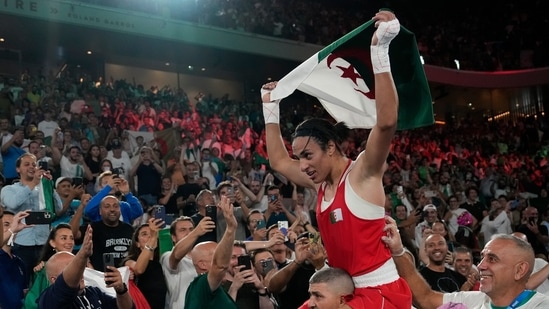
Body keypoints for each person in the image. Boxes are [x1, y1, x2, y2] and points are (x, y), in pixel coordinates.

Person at [261, 10, 411, 308]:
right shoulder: (319, 183)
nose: (302, 165)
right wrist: (270, 108)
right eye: (299, 158)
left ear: (330, 148)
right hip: (341, 290)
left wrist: (379, 51)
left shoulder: (363, 173)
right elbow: (278, 162)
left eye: (308, 155)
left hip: (379, 293)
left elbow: (385, 123)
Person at [382, 216, 549, 308]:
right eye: (483, 257)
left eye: (492, 259)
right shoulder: (474, 300)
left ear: (519, 270)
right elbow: (426, 298)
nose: (481, 265)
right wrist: (398, 251)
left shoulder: (541, 306)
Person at [37, 225, 134, 309]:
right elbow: (66, 284)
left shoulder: (93, 292)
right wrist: (83, 254)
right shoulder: (50, 299)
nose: (80, 271)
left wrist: (121, 290)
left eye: (79, 267)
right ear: (54, 280)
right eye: (71, 268)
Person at [1, 153, 63, 283]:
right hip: (20, 244)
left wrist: (49, 186)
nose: (31, 167)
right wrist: (34, 183)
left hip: (43, 244)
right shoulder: (9, 189)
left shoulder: (44, 189)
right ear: (18, 169)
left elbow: (58, 209)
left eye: (34, 164)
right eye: (27, 164)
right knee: (22, 282)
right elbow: (13, 203)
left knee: (44, 282)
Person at [184, 195, 238, 308]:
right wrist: (230, 228)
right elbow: (220, 266)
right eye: (216, 255)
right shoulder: (201, 285)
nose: (225, 258)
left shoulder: (217, 290)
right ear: (202, 264)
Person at [161, 215, 214, 308]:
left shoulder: (205, 256)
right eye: (182, 230)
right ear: (173, 237)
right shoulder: (167, 256)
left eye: (191, 229)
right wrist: (196, 232)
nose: (188, 233)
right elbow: (176, 255)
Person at [123, 218, 167, 309]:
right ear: (137, 243)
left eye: (152, 233)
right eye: (144, 234)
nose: (150, 236)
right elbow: (138, 269)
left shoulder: (160, 263)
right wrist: (152, 239)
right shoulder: (129, 262)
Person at [0, 210, 31, 309]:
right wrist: (12, 229)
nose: (12, 228)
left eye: (14, 225)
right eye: (6, 224)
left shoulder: (19, 262)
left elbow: (25, 293)